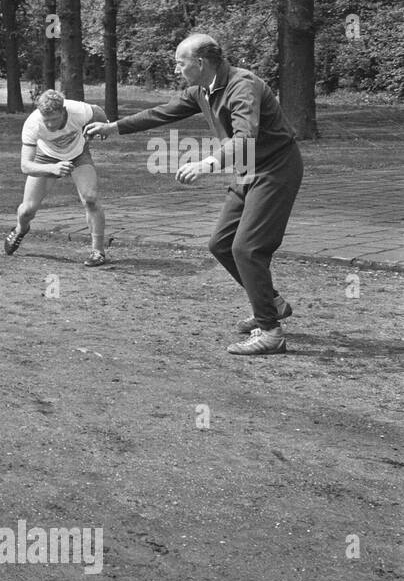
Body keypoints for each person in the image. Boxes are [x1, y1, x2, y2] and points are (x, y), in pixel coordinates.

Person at [84, 33, 303, 356]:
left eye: (179, 62)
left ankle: (270, 332)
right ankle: (271, 303)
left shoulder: (243, 86)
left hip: (275, 170)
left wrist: (207, 163)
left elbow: (246, 138)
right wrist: (113, 127)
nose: (176, 68)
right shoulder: (202, 89)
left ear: (200, 63)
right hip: (247, 170)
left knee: (247, 248)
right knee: (221, 244)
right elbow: (162, 112)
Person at [5, 89, 112, 266]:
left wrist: (105, 127)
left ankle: (98, 251)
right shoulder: (33, 124)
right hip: (47, 158)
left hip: (78, 155)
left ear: (63, 111)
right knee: (27, 211)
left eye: (54, 119)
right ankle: (20, 229)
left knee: (90, 199)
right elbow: (25, 166)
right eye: (45, 119)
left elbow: (98, 111)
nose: (49, 124)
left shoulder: (78, 110)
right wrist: (52, 168)